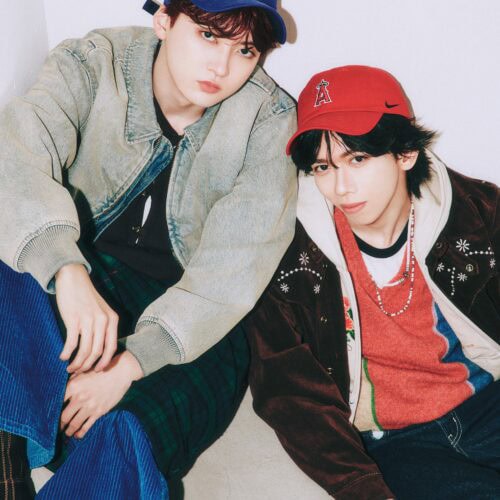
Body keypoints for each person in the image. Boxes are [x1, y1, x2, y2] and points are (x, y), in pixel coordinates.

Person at [0, 0, 296, 497]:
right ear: (164, 20)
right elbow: (16, 156)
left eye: (245, 50)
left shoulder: (267, 121)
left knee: (128, 438)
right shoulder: (93, 63)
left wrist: (129, 365)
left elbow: (235, 269)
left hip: (192, 322)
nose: (221, 67)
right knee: (11, 267)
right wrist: (66, 269)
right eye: (208, 35)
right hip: (87, 277)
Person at [244, 65, 499, 499]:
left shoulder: (476, 215)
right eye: (323, 166)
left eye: (358, 159)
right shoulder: (290, 256)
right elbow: (287, 390)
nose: (341, 186)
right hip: (396, 443)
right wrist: (359, 487)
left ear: (405, 154)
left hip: (485, 405)